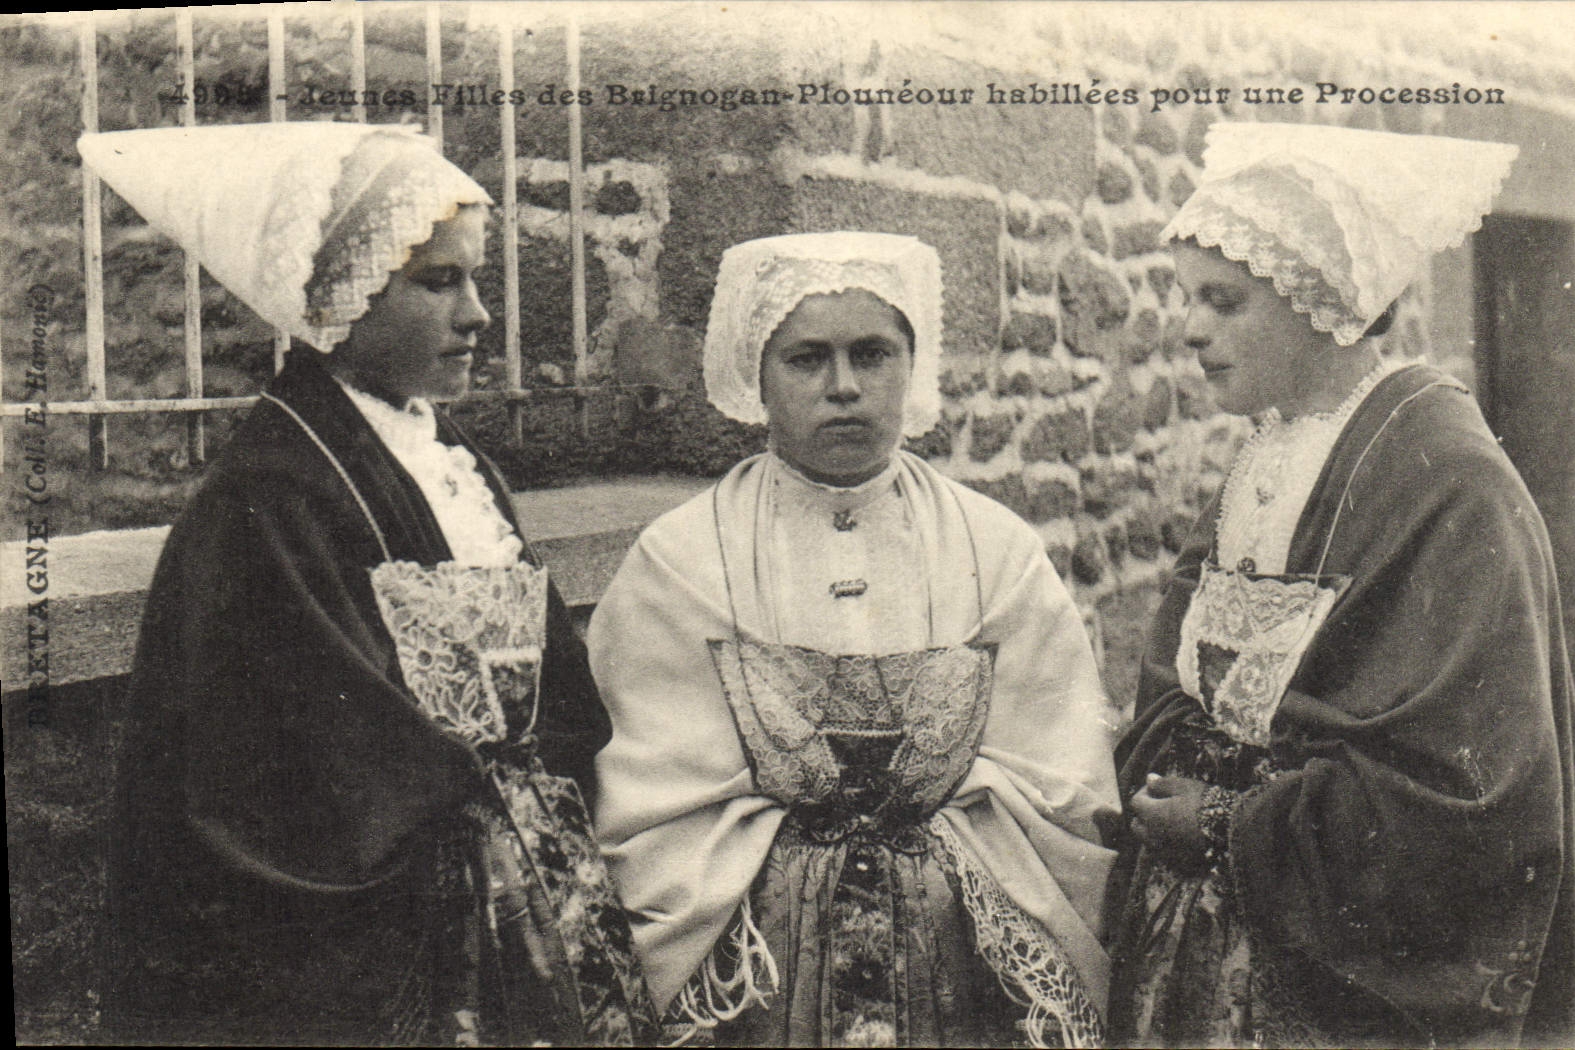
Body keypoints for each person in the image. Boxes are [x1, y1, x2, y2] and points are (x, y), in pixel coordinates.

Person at [83, 123, 653, 1046]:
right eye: (438, 282)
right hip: (402, 923)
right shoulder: (272, 496)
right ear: (338, 299)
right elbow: (299, 768)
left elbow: (555, 681)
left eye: (475, 278)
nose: (477, 315)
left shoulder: (447, 456)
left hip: (532, 884)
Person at [1104, 122, 1575, 1049]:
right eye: (1187, 299)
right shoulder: (1266, 457)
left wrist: (1231, 824)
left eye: (1223, 302)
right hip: (1198, 945)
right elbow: (1177, 683)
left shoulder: (1449, 478)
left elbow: (1475, 789)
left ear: (1323, 301)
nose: (1188, 330)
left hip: (1342, 981)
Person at [587, 231, 1120, 1047]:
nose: (844, 387)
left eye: (872, 355)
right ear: (757, 376)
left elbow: (1059, 776)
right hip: (758, 962)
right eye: (807, 359)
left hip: (960, 955)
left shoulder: (996, 550)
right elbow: (653, 792)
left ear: (914, 364)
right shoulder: (682, 559)